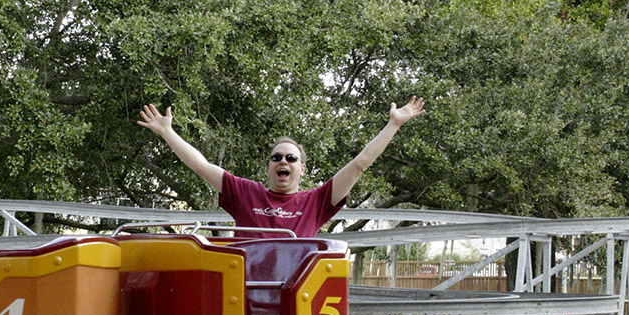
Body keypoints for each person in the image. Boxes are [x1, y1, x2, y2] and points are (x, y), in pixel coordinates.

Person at [137, 97, 426, 237]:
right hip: (245, 292)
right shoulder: (245, 193)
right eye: (276, 158)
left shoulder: (317, 200)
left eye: (290, 158)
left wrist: (393, 125)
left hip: (296, 294)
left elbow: (360, 164)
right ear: (268, 167)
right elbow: (201, 165)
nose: (283, 162)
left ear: (302, 168)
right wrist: (167, 133)